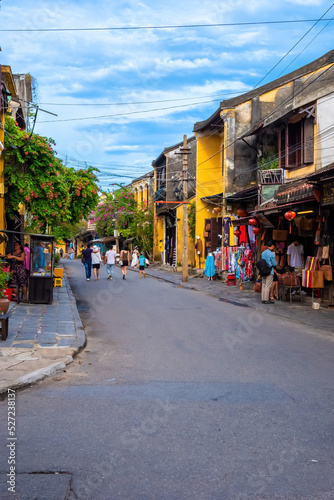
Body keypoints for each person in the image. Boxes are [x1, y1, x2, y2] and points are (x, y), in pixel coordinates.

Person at [261, 240, 277, 304]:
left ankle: (263, 298)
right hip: (269, 271)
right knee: (268, 286)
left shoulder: (263, 253)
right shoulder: (272, 254)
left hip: (263, 270)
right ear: (272, 246)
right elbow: (274, 263)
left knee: (264, 285)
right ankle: (266, 299)